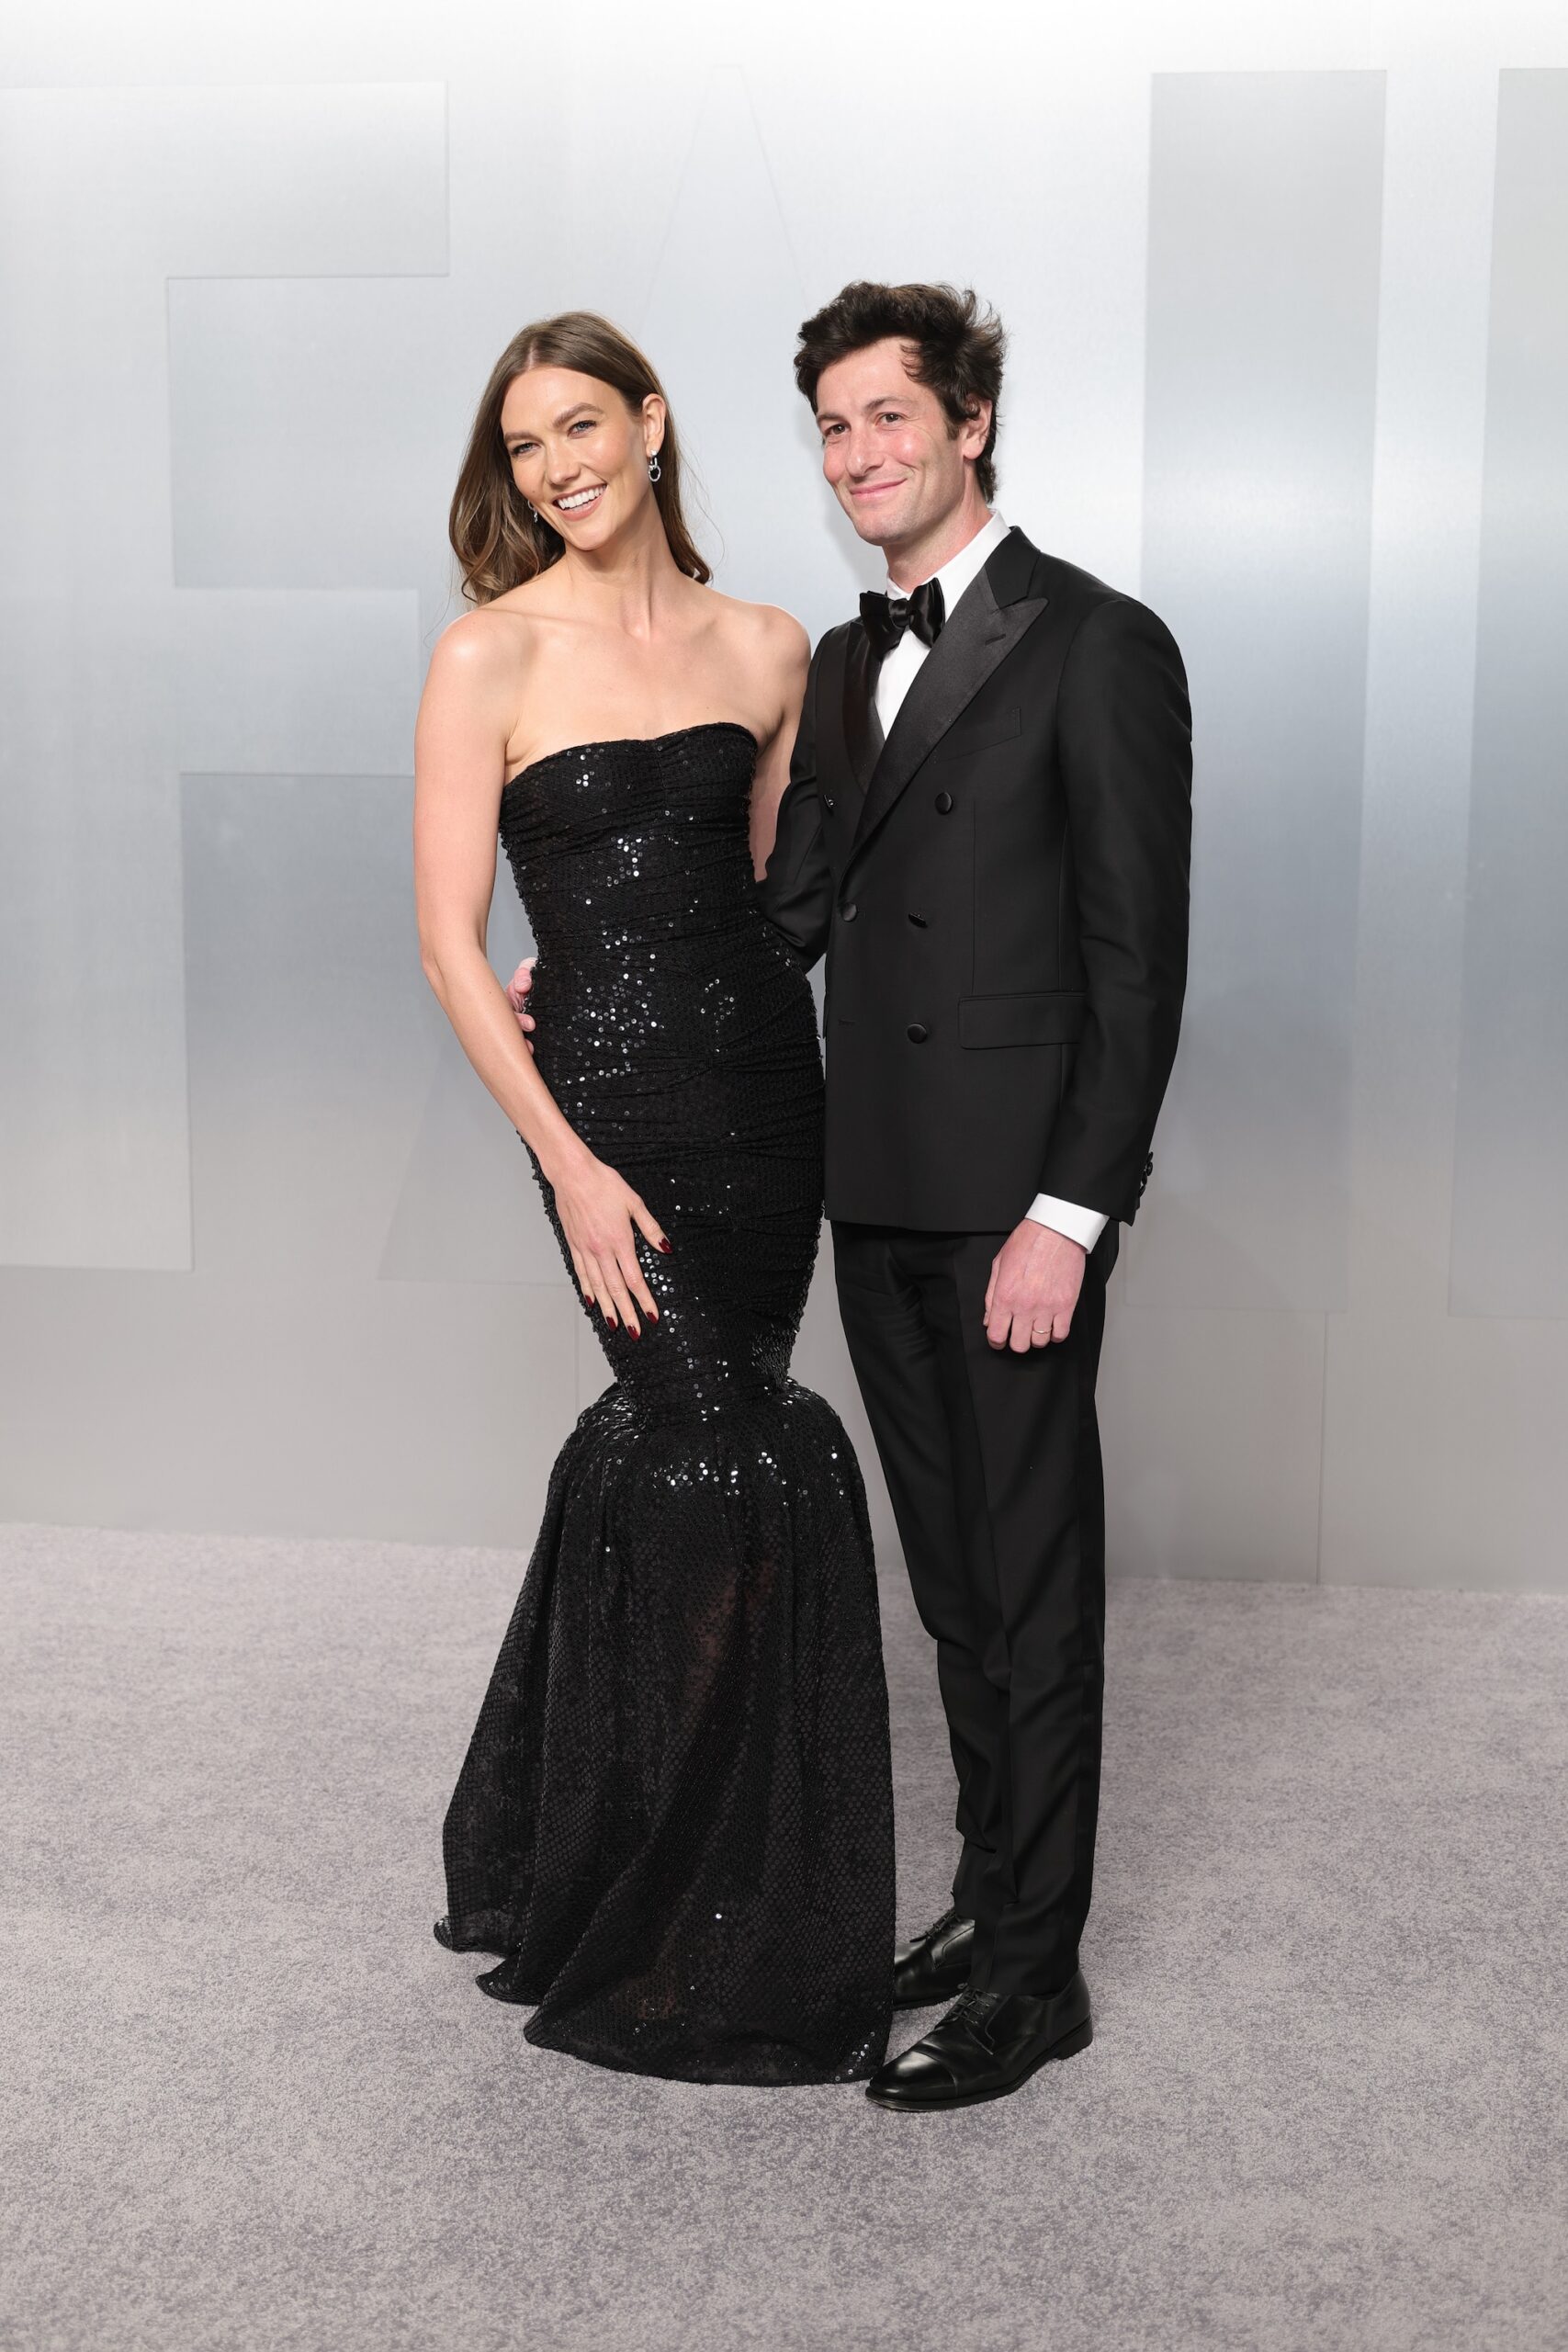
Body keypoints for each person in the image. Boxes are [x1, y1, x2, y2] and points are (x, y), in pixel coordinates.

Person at [511, 280, 1192, 2113]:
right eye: (829, 426)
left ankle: (1031, 1982)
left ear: (967, 422)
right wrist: (583, 962)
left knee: (1034, 1590)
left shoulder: (1096, 641)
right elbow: (779, 911)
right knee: (957, 1591)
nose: (858, 453)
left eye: (889, 416)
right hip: (868, 1180)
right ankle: (989, 1900)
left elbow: (1136, 970)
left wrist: (1075, 1210)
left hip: (1012, 1210)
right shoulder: (831, 659)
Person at [413, 311, 895, 2086]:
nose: (558, 467)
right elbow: (448, 940)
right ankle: (682, 1906)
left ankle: (591, 1849)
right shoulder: (488, 655)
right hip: (609, 1117)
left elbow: (778, 903)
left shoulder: (767, 644)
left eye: (581, 427)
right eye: (527, 445)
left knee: (719, 1441)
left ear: (655, 423)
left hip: (773, 1103)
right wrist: (568, 1155)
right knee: (724, 1449)